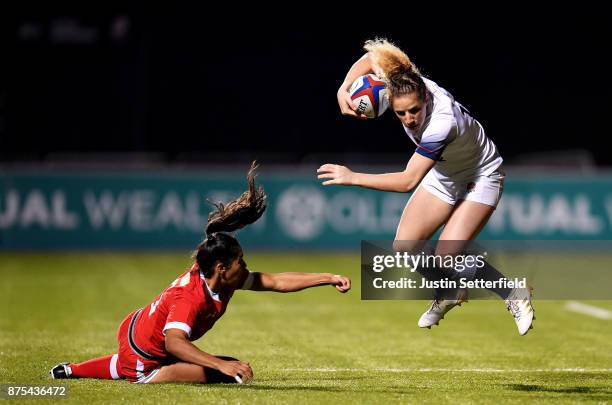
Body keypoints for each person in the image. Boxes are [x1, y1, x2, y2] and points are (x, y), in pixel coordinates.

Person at [51, 162, 351, 384]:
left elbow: (276, 281)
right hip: (147, 354)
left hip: (136, 329)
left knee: (218, 366)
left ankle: (72, 370)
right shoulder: (191, 297)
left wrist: (328, 277)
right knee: (231, 370)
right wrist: (220, 366)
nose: (245, 267)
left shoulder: (217, 275)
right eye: (240, 262)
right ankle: (119, 370)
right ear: (222, 268)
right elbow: (174, 343)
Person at [318, 38, 534, 335]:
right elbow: (371, 58)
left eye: (414, 111)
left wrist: (352, 177)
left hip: (481, 174)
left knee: (446, 256)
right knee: (404, 247)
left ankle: (513, 293)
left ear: (427, 99)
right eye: (400, 113)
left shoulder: (442, 122)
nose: (409, 119)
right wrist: (344, 87)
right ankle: (448, 292)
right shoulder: (400, 80)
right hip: (445, 173)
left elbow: (408, 180)